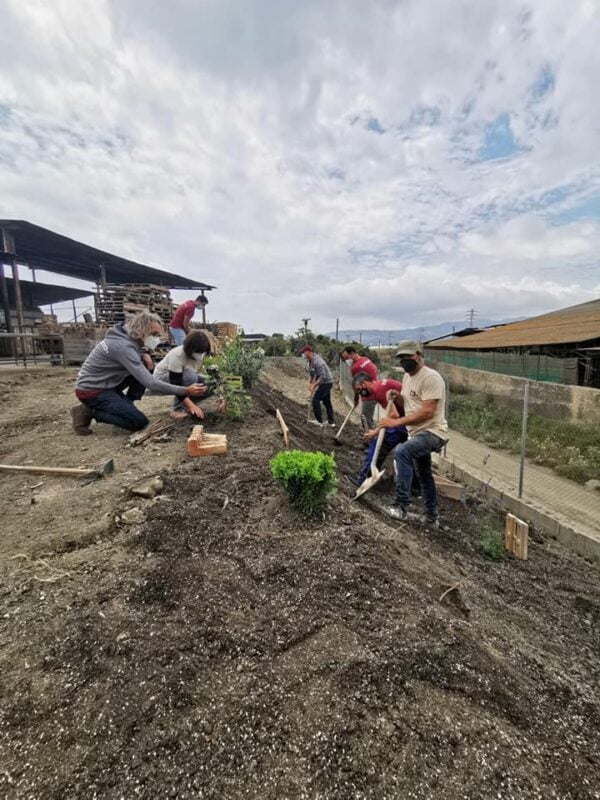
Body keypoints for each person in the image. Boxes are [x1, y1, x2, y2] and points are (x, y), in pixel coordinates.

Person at [71, 312, 207, 434]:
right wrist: (185, 390)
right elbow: (151, 384)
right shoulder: (123, 347)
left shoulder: (125, 337)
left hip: (107, 384)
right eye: (154, 334)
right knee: (139, 422)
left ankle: (127, 404)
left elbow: (137, 354)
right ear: (141, 330)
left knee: (145, 366)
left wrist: (144, 354)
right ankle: (89, 411)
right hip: (92, 391)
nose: (156, 339)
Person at [378, 341, 448, 527]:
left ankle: (401, 506)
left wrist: (395, 422)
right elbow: (409, 405)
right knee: (424, 475)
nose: (404, 361)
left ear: (418, 354)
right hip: (416, 433)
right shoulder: (407, 378)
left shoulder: (431, 378)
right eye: (401, 358)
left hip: (432, 432)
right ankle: (432, 517)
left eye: (407, 357)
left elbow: (427, 412)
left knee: (403, 452)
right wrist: (396, 397)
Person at [353, 373, 407, 485]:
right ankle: (415, 488)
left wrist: (375, 432)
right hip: (409, 420)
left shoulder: (379, 390)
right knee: (409, 455)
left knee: (377, 443)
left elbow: (393, 415)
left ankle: (363, 480)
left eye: (359, 390)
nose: (361, 393)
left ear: (364, 383)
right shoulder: (381, 385)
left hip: (403, 423)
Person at [153, 329, 213, 420]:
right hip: (161, 379)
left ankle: (187, 403)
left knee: (210, 382)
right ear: (190, 349)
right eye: (198, 352)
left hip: (184, 376)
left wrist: (222, 398)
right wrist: (191, 406)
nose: (201, 355)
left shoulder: (201, 354)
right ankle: (177, 409)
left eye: (203, 352)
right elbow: (176, 382)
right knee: (190, 377)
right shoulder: (178, 355)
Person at [340, 346, 378, 427]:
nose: (346, 361)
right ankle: (372, 434)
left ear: (352, 354)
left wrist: (356, 399)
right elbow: (375, 369)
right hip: (375, 388)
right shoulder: (365, 359)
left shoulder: (355, 368)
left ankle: (371, 438)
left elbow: (356, 386)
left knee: (365, 419)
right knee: (369, 417)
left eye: (347, 358)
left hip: (369, 395)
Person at [299, 345, 335, 428]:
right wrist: (310, 384)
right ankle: (331, 422)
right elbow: (312, 373)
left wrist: (315, 385)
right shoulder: (310, 362)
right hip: (323, 383)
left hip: (327, 383)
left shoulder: (318, 361)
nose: (303, 354)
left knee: (315, 400)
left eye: (304, 352)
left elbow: (323, 376)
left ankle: (319, 421)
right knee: (327, 402)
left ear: (309, 352)